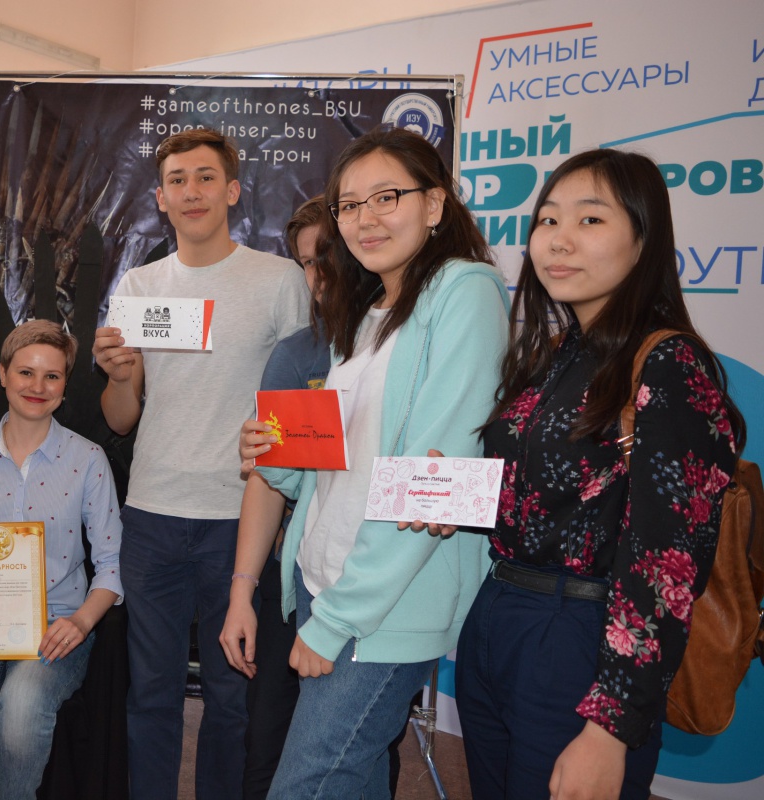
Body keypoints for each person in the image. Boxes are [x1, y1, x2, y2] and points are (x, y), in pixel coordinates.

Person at [454, 148, 744, 800]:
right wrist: (449, 493)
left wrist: (611, 724)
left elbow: (666, 561)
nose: (559, 240)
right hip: (499, 616)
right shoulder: (556, 354)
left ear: (644, 240)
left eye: (590, 220)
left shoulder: (669, 363)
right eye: (548, 219)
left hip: (584, 636)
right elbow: (545, 500)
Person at [237, 127, 509, 799]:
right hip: (324, 579)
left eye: (386, 197)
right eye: (350, 205)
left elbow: (432, 478)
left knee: (305, 784)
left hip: (380, 605)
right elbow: (339, 465)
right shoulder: (365, 312)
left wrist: (336, 621)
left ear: (435, 204)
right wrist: (274, 453)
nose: (365, 219)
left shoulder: (464, 290)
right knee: (349, 781)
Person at [93, 128, 309, 800]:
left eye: (206, 177)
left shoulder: (279, 280)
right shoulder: (140, 284)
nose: (192, 191)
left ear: (233, 190)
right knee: (150, 694)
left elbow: (302, 405)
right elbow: (121, 418)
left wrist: (285, 510)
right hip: (151, 515)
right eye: (178, 180)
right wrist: (119, 375)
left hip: (240, 519)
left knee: (231, 695)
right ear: (160, 197)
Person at [0, 320, 122, 799]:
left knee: (22, 711)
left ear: (65, 384)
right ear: (3, 374)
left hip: (54, 626)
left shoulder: (88, 459)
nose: (38, 386)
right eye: (26, 372)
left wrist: (80, 624)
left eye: (52, 376)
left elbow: (112, 565)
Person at [217, 196, 329, 800]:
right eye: (307, 262)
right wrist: (243, 592)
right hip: (292, 585)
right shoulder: (296, 353)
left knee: (351, 751)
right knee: (266, 745)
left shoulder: (404, 347)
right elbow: (264, 475)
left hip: (372, 590)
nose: (318, 275)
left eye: (329, 256)